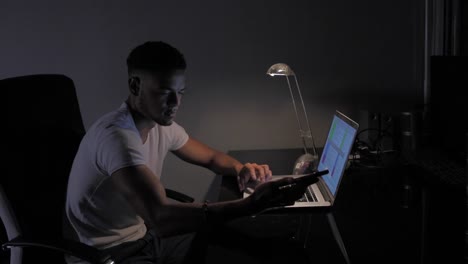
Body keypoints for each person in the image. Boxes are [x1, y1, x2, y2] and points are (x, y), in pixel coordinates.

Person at [65, 41, 311, 264]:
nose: (175, 103)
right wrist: (250, 205)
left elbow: (212, 158)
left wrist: (240, 168)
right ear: (135, 85)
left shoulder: (161, 125)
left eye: (180, 92)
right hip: (108, 255)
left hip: (146, 237)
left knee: (252, 246)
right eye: (164, 93)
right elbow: (161, 218)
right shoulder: (115, 138)